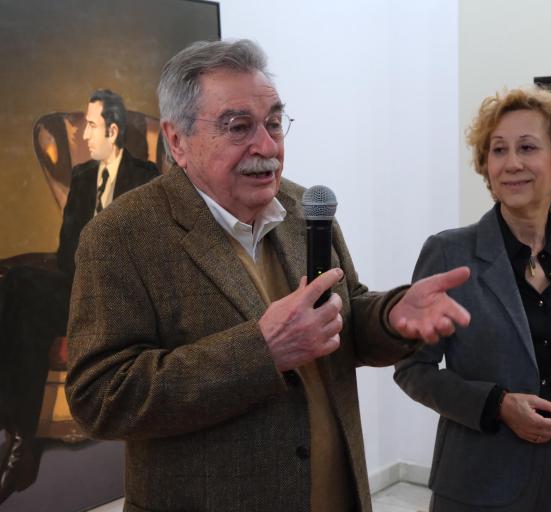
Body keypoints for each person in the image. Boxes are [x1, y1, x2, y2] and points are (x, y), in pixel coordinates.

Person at [64, 39, 471, 512]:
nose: (268, 146)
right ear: (177, 141)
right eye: (239, 127)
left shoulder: (304, 209)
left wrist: (390, 317)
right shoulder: (122, 235)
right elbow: (100, 396)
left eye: (274, 123)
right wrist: (261, 352)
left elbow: (342, 314)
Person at [394, 87, 551, 511]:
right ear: (486, 164)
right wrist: (496, 405)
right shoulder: (449, 253)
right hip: (478, 484)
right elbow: (412, 369)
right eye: (498, 150)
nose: (511, 163)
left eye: (527, 148)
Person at [0, 89, 159, 504]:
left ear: (112, 130)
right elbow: (67, 248)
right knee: (18, 285)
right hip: (79, 284)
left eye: (91, 126)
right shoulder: (83, 176)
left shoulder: (145, 177)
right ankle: (19, 437)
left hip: (120, 292)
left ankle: (18, 441)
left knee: (26, 296)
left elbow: (146, 248)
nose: (84, 135)